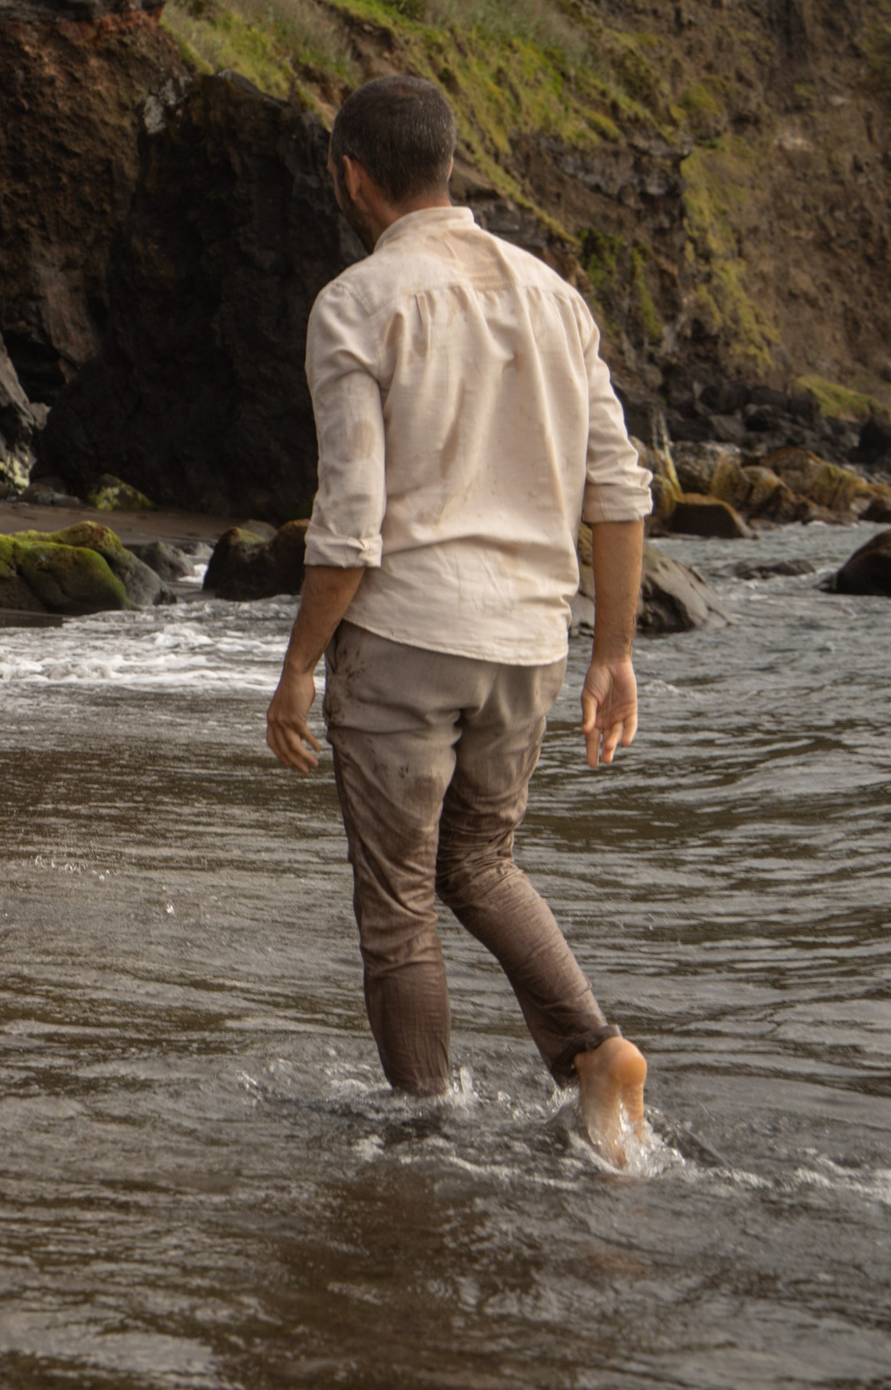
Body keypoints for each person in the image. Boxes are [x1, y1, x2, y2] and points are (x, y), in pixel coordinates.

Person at [264, 74, 657, 1167]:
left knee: (396, 900)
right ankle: (591, 1051)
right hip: (530, 639)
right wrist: (613, 654)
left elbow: (348, 521)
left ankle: (424, 1139)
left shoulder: (357, 301)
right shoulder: (553, 297)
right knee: (479, 863)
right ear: (448, 164)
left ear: (351, 175)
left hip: (405, 633)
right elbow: (618, 490)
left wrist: (297, 666)